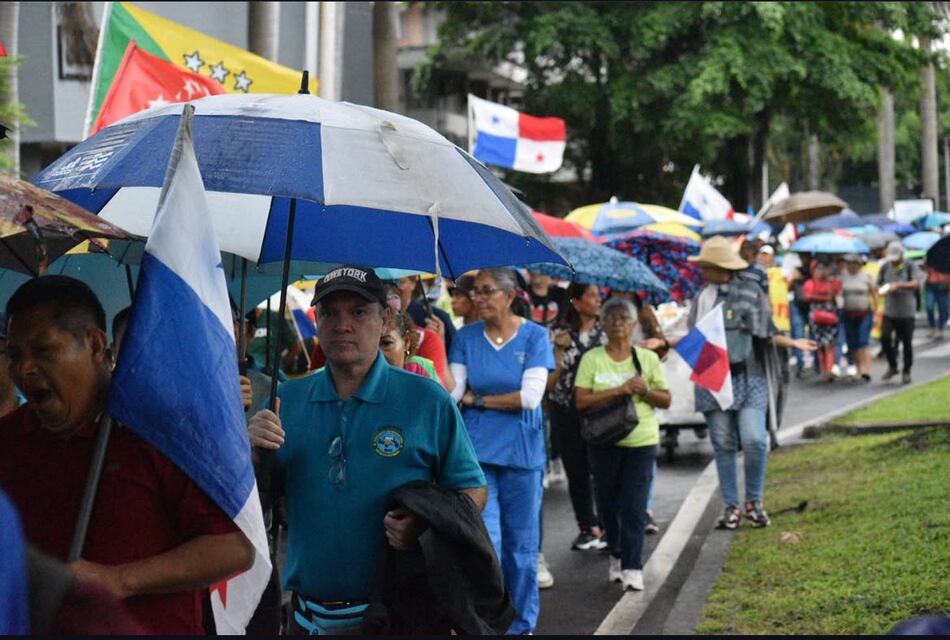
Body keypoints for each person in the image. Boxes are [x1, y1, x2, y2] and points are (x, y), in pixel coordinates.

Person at [0, 275, 254, 635]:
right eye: (14, 355)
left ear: (94, 344)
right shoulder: (10, 439)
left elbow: (235, 547)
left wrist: (120, 579)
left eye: (43, 351)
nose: (24, 369)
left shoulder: (165, 430)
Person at [247, 265, 486, 635]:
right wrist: (253, 454)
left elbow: (472, 490)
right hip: (306, 618)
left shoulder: (428, 400)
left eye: (358, 312)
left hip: (402, 616)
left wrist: (425, 526)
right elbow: (258, 503)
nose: (343, 324)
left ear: (385, 317)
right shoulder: (285, 401)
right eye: (329, 313)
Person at [449, 267, 554, 635]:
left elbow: (529, 398)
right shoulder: (465, 337)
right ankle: (486, 622)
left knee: (521, 550)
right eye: (475, 291)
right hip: (477, 455)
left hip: (522, 454)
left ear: (510, 296)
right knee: (486, 543)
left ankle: (521, 625)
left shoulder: (536, 337)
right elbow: (454, 392)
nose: (478, 298)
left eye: (486, 291)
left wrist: (479, 399)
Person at [683, 237, 815, 530]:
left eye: (707, 266)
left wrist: (792, 342)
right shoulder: (701, 298)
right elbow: (693, 337)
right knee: (723, 443)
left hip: (749, 374)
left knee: (755, 439)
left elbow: (767, 331)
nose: (703, 271)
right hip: (713, 377)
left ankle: (754, 501)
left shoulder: (751, 292)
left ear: (720, 267)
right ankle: (732, 507)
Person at [574, 297, 671, 592]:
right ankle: (616, 551)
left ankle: (632, 565)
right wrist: (620, 390)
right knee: (607, 504)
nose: (617, 323)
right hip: (603, 440)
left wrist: (645, 391)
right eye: (611, 318)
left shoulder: (647, 359)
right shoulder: (592, 358)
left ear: (633, 325)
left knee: (633, 505)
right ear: (603, 324)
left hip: (641, 441)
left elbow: (666, 399)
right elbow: (581, 401)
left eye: (623, 318)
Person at [547, 283, 608, 551]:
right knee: (577, 470)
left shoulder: (607, 330)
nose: (598, 300)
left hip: (600, 409)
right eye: (592, 295)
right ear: (576, 301)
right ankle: (587, 526)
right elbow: (549, 380)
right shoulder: (557, 332)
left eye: (599, 296)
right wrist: (559, 352)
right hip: (565, 410)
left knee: (603, 470)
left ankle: (607, 525)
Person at [878, 241, 923, 384]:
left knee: (907, 342)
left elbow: (916, 283)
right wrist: (884, 289)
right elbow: (879, 284)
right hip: (890, 310)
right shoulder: (885, 267)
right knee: (885, 337)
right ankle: (893, 365)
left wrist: (898, 285)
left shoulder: (910, 266)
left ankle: (907, 370)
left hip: (906, 311)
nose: (895, 262)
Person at [838, 254, 878, 382]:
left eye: (855, 264)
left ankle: (866, 369)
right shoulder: (843, 276)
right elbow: (838, 292)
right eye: (850, 263)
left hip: (864, 312)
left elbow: (874, 293)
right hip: (848, 313)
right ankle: (858, 367)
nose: (852, 266)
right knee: (852, 342)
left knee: (863, 340)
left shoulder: (866, 276)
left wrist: (876, 312)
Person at [802, 258, 842, 382]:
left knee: (830, 344)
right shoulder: (809, 283)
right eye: (818, 269)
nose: (820, 272)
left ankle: (829, 370)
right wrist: (822, 297)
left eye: (822, 269)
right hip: (816, 317)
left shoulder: (832, 283)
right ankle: (824, 370)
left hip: (830, 316)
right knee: (820, 345)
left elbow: (837, 295)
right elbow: (806, 297)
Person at [397, 275, 457, 353]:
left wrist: (437, 342)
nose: (394, 288)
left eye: (399, 282)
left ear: (413, 283)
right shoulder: (380, 317)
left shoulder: (438, 318)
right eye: (387, 282)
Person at [379, 310, 441, 382]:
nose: (378, 353)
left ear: (406, 343)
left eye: (386, 343)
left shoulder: (420, 369)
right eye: (373, 345)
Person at [922, 258, 950, 338]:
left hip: (943, 284)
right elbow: (925, 268)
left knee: (943, 308)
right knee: (929, 306)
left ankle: (940, 328)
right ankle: (932, 327)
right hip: (931, 284)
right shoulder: (932, 255)